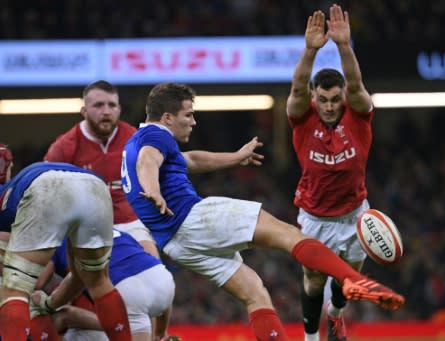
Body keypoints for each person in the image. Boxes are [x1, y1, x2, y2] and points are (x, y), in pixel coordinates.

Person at [121, 82, 405, 341]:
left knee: (255, 294)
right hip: (193, 218)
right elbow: (148, 162)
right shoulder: (156, 137)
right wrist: (153, 189)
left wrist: (235, 157)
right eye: (188, 114)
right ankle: (353, 279)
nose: (193, 121)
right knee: (288, 235)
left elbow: (190, 159)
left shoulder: (134, 142)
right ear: (167, 117)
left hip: (176, 243)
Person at [286, 5, 376, 341]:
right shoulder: (302, 117)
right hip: (314, 217)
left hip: (355, 216)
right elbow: (296, 90)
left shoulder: (358, 116)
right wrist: (310, 50)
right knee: (313, 281)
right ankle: (311, 338)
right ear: (314, 98)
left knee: (346, 280)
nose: (328, 106)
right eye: (322, 99)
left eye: (334, 99)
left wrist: (343, 46)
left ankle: (335, 316)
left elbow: (355, 83)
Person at [0, 159, 132, 340]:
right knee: (99, 281)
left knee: (15, 288)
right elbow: (79, 278)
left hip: (46, 187)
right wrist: (49, 305)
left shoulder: (6, 198)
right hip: (95, 186)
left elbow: (26, 278)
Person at [44, 80, 159, 259]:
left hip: (128, 221)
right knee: (43, 274)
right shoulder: (64, 147)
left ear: (119, 110)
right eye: (98, 105)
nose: (106, 111)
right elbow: (44, 193)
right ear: (84, 111)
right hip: (82, 225)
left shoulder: (136, 140)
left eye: (111, 105)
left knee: (155, 269)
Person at [32, 228, 176, 341]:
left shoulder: (60, 243)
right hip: (162, 277)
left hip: (127, 291)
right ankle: (159, 334)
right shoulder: (117, 231)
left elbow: (38, 281)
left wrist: (48, 304)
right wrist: (160, 331)